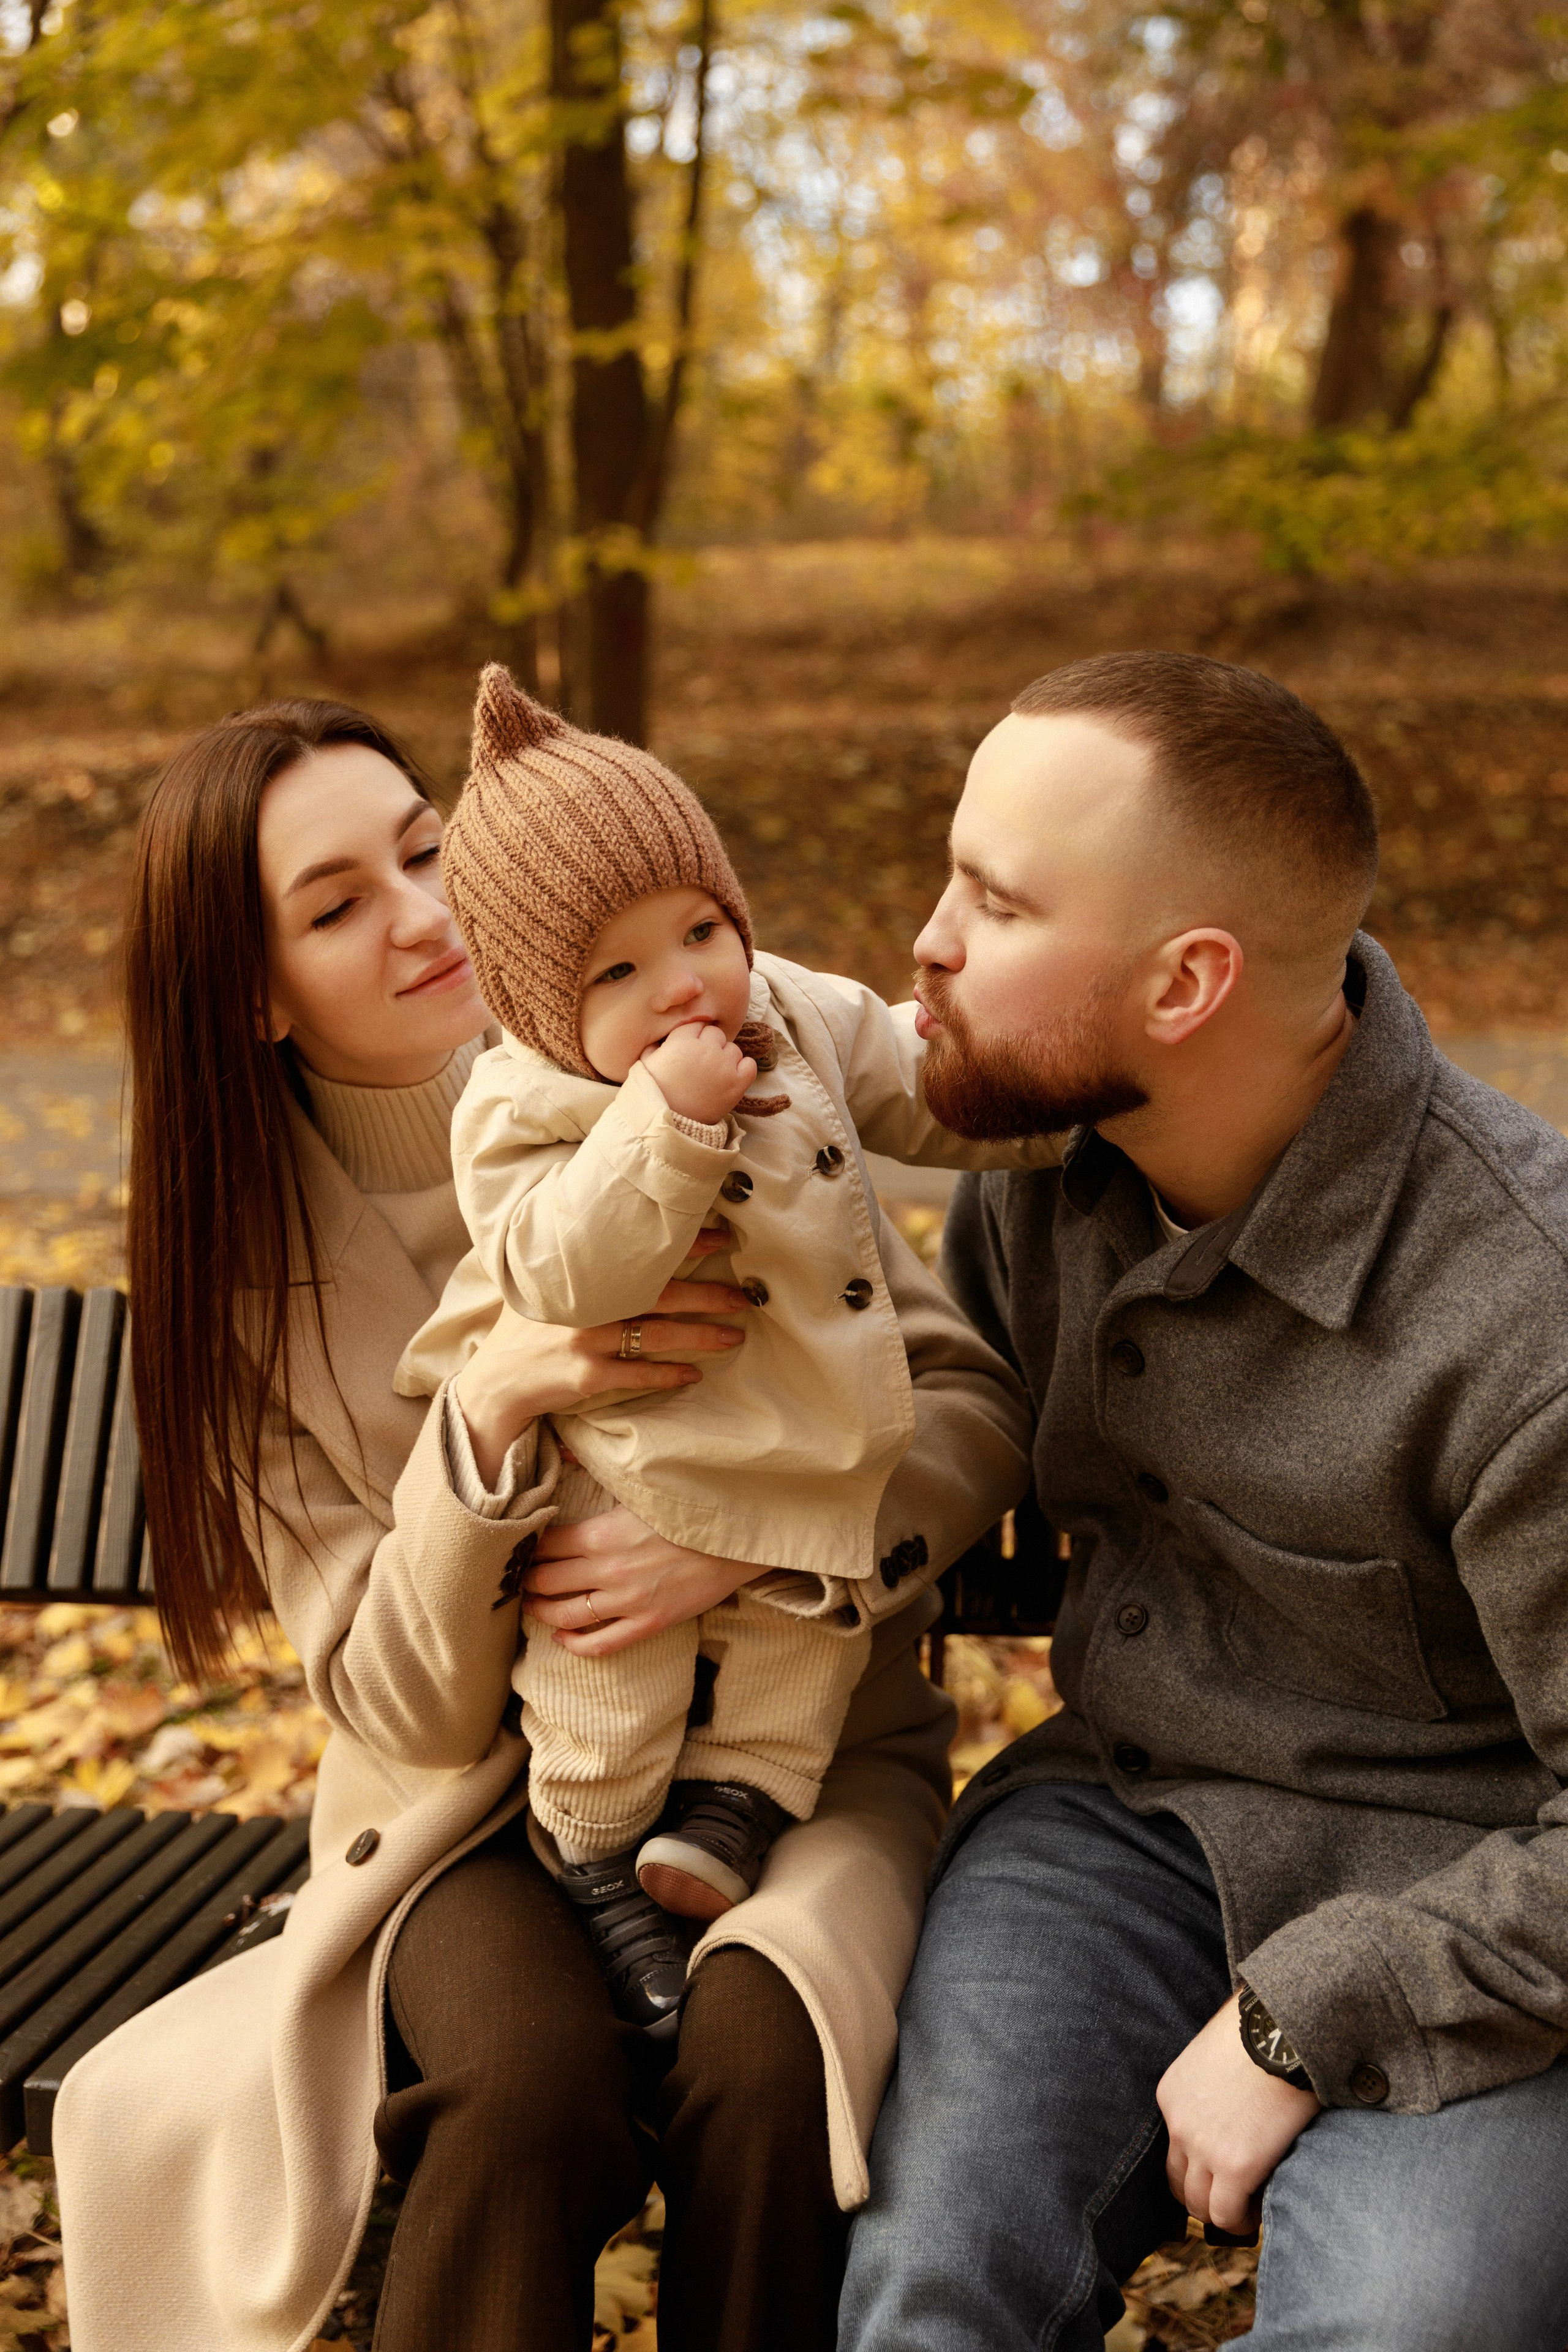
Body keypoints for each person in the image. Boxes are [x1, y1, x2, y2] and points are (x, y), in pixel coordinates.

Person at [49, 694, 1035, 2352]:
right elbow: (400, 1705)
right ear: (252, 991)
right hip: (472, 1815)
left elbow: (969, 1410)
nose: (425, 913)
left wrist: (751, 1541)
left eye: (425, 850)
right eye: (336, 904)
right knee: (520, 2091)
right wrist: (490, 1410)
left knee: (764, 2057)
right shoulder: (244, 1284)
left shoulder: (723, 1071)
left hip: (792, 1748)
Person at [837, 650, 1568, 2352]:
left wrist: (1302, 2017)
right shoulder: (1040, 1194)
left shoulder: (1525, 1314)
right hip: (1123, 1814)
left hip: (1481, 1896)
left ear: (1187, 985)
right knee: (929, 2275)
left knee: (1412, 2330)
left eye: (995, 903)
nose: (926, 945)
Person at [401, 668, 1055, 2025]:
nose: (685, 984)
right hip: (629, 1478)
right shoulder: (522, 1108)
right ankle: (592, 1863)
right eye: (619, 973)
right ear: (535, 1007)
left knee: (794, 1658)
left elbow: (916, 1083)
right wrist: (668, 1127)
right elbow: (558, 1268)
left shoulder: (791, 1012)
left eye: (701, 928)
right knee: (606, 1682)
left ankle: (729, 1821)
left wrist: (1053, 1111)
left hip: (807, 1456)